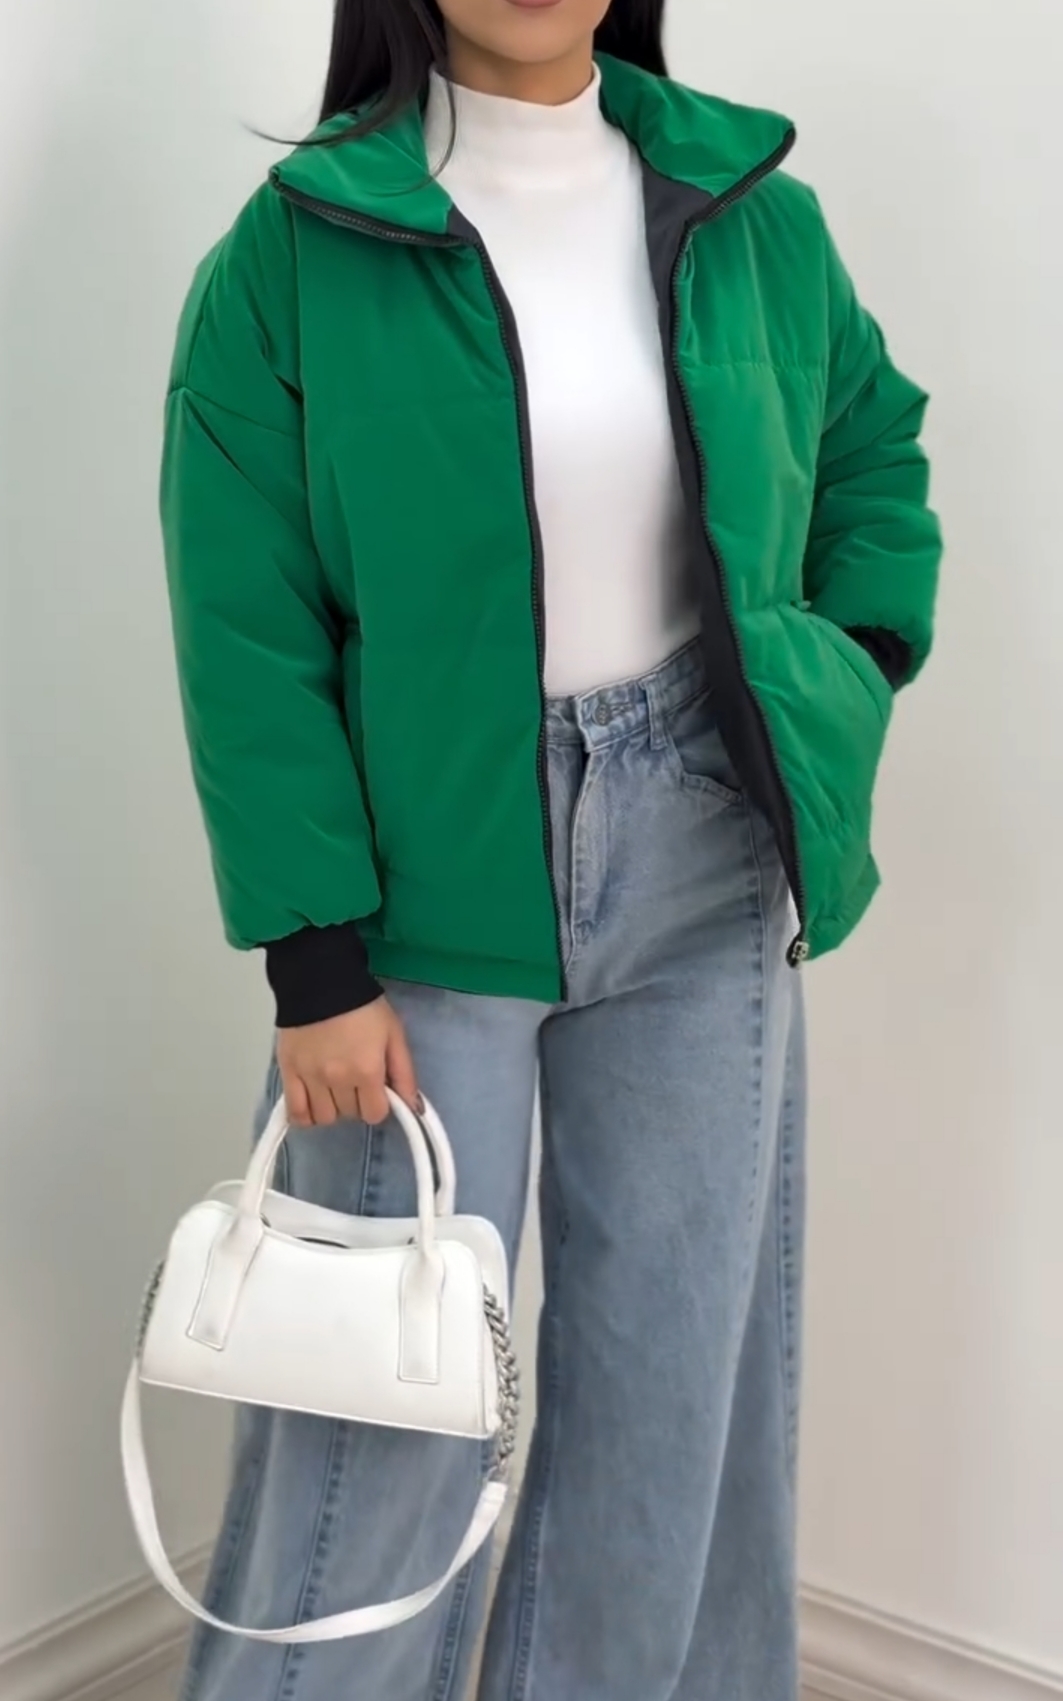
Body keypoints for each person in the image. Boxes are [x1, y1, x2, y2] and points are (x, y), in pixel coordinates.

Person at [160, 0, 941, 1695]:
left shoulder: (751, 213)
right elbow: (245, 615)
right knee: (379, 1415)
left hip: (704, 858)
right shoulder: (299, 248)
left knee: (675, 1398)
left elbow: (873, 447)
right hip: (420, 883)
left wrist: (843, 670)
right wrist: (314, 957)